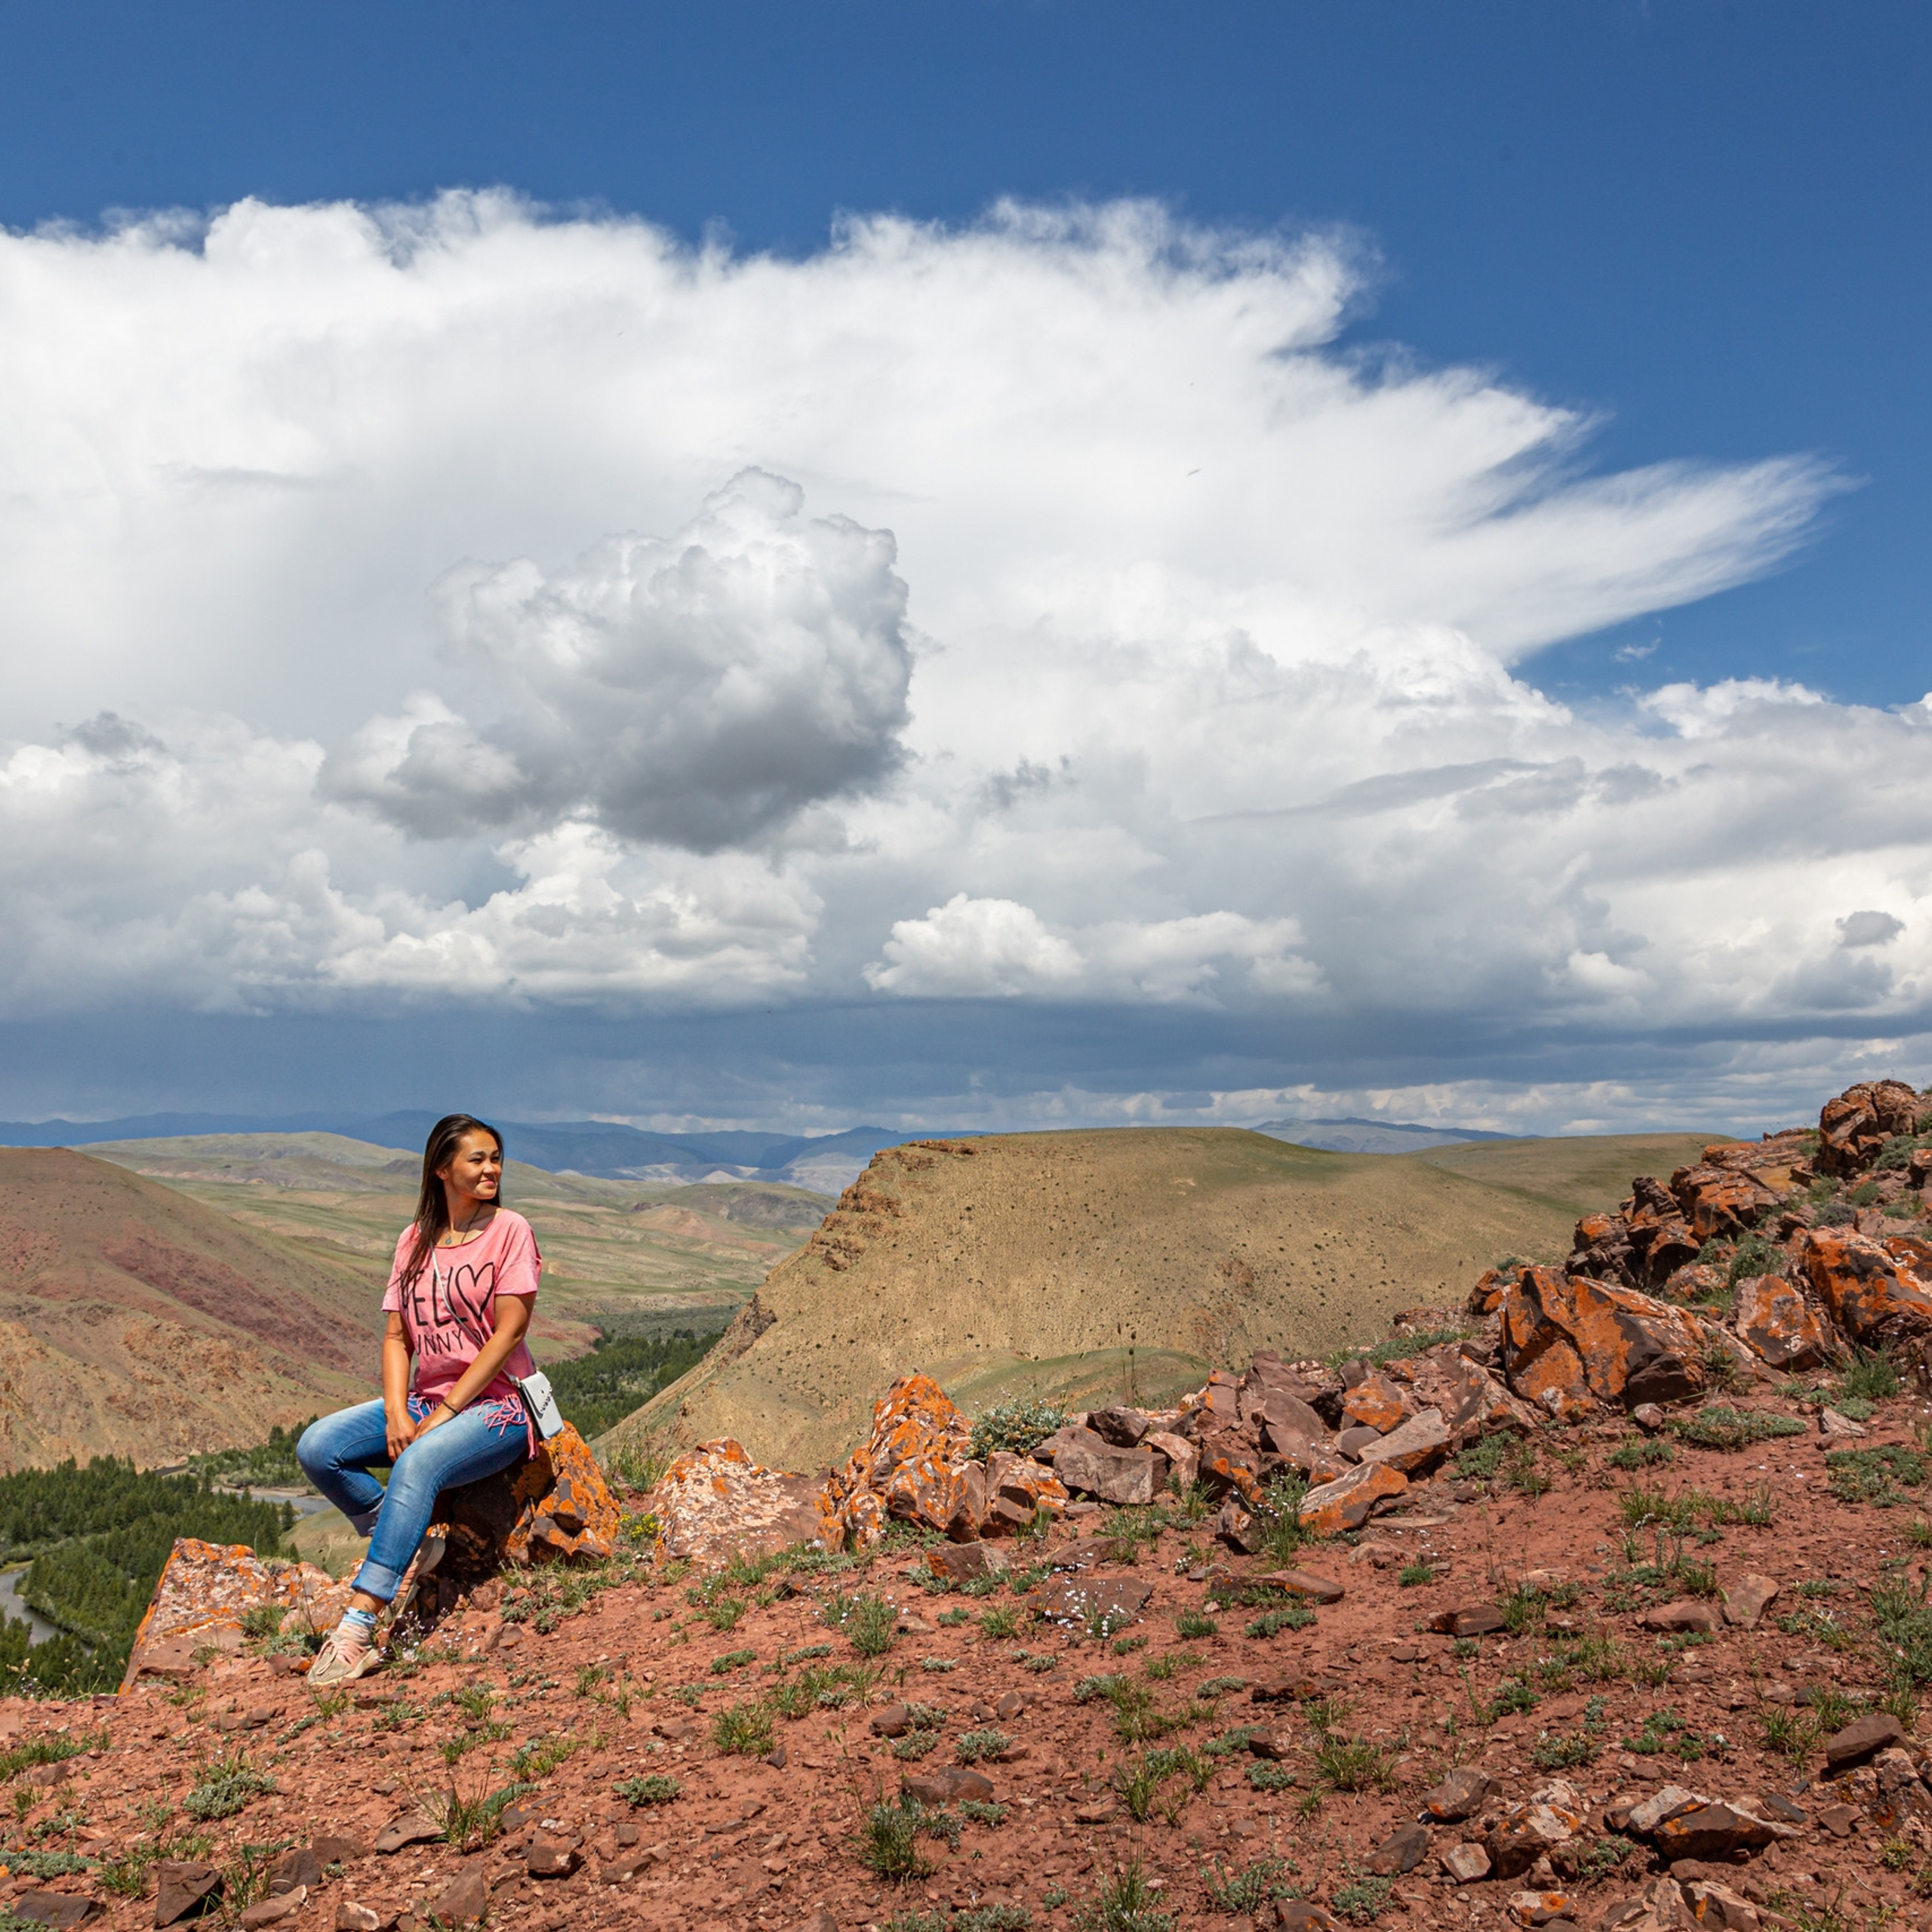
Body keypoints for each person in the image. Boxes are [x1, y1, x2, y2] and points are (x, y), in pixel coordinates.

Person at [298, 1112, 542, 1687]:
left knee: (417, 1461)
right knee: (319, 1447)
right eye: (477, 1159)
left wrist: (445, 1413)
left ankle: (358, 1628)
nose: (492, 1169)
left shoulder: (511, 1230)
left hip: (498, 1407)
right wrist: (395, 1412)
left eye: (495, 1158)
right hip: (427, 1398)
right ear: (441, 1168)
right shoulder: (414, 1240)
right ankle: (401, 1534)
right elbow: (395, 1338)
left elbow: (510, 1332)